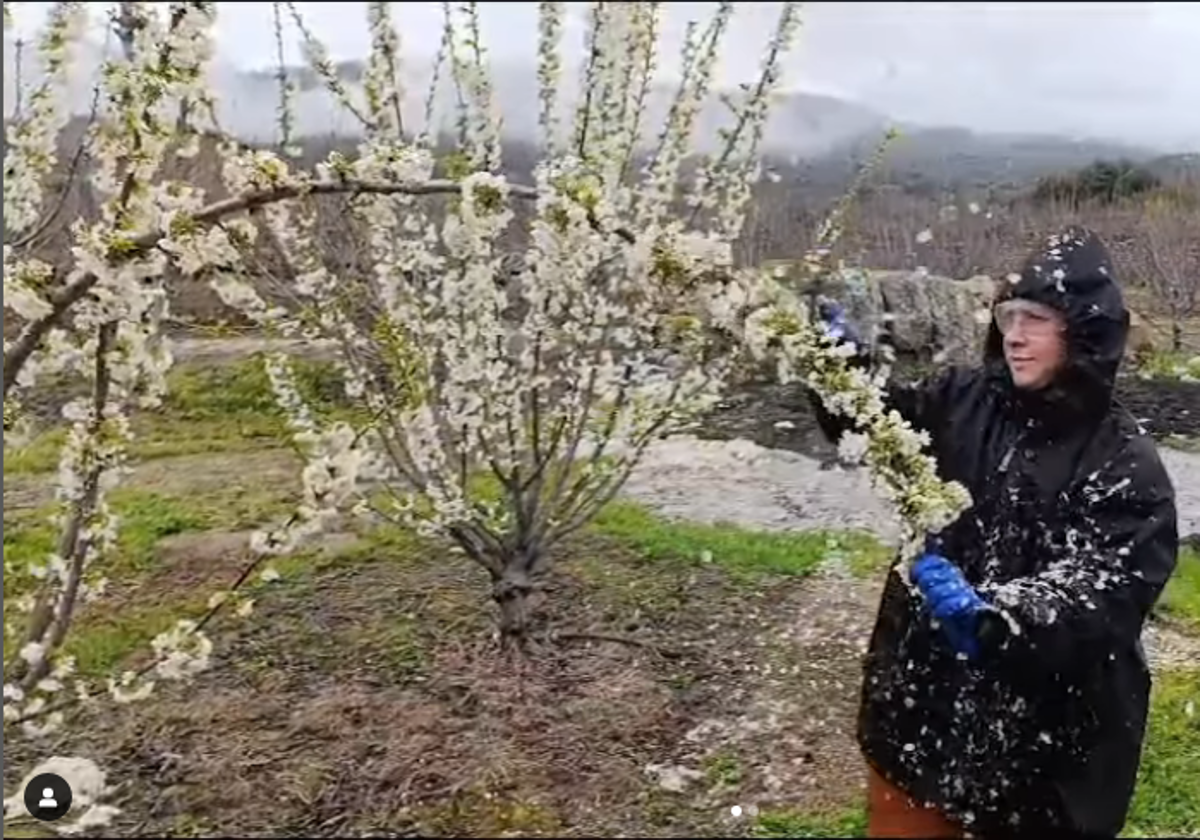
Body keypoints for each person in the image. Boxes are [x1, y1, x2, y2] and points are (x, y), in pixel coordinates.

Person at [808, 226, 1179, 839]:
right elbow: (875, 430)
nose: (1014, 334)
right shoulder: (960, 398)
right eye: (1009, 314)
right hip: (920, 712)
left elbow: (1104, 591)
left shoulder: (1124, 464)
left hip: (1043, 755)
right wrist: (840, 374)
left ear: (1081, 330)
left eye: (1036, 319)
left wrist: (1000, 619)